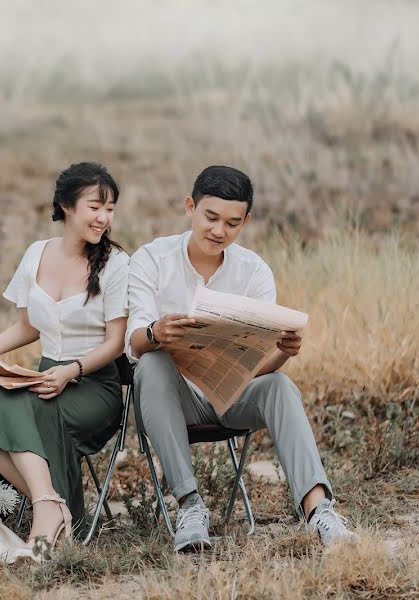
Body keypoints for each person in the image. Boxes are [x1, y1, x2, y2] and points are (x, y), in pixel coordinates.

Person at [126, 165, 358, 552]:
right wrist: (155, 333)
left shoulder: (253, 271)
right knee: (151, 361)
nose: (219, 231)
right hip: (172, 399)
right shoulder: (153, 259)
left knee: (280, 387)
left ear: (246, 221)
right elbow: (133, 342)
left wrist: (280, 355)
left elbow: (257, 364)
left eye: (232, 223)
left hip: (230, 394)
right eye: (211, 217)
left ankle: (321, 513)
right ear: (190, 207)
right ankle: (190, 506)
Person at [0, 162, 129, 546]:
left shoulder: (116, 264)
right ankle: (52, 504)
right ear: (66, 206)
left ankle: (50, 509)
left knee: (14, 406)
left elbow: (115, 343)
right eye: (95, 207)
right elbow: (26, 329)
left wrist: (70, 371)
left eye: (110, 209)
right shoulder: (36, 254)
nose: (104, 218)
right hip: (45, 377)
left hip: (93, 385)